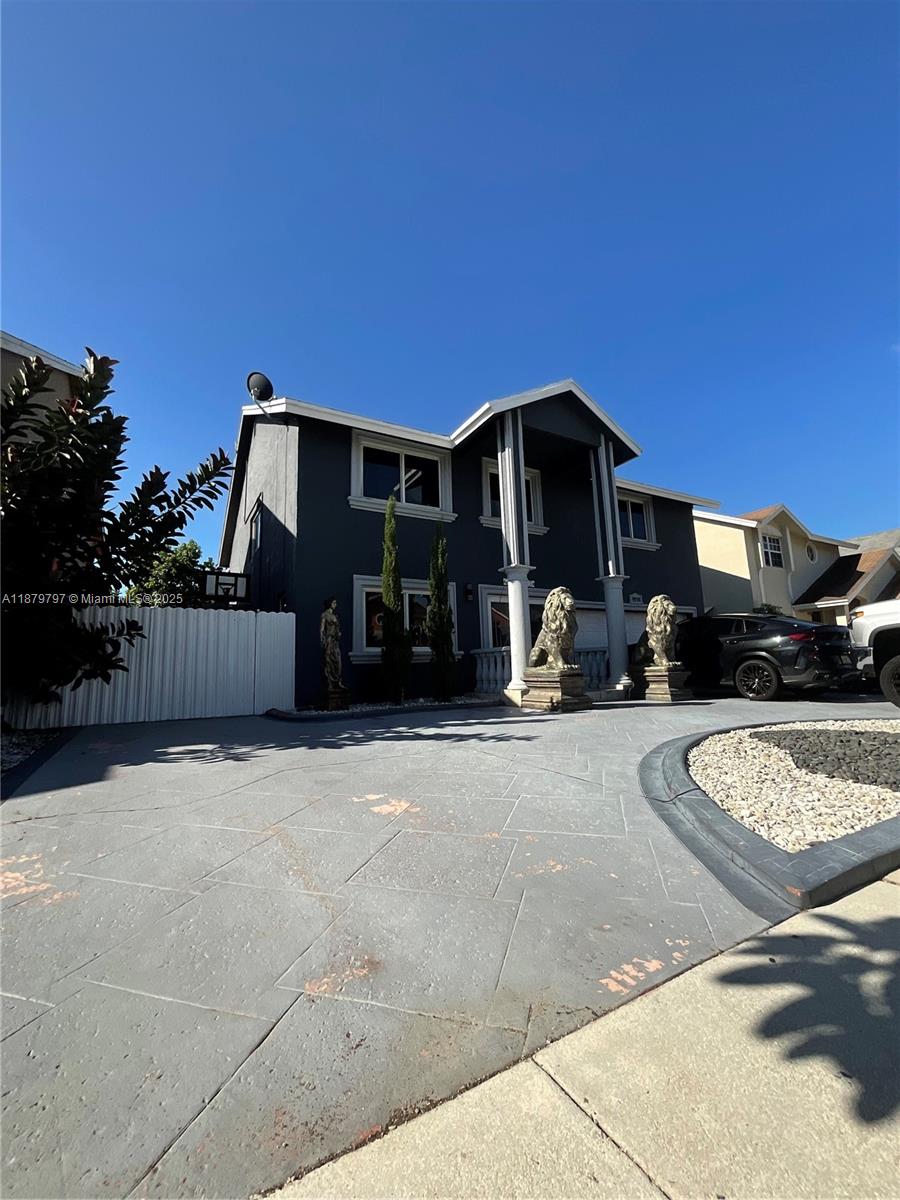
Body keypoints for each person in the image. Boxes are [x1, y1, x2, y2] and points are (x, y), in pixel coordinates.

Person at [320, 596, 344, 690]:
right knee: (329, 661)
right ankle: (330, 683)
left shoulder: (335, 616)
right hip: (329, 640)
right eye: (334, 603)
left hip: (335, 641)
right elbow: (322, 630)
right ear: (330, 604)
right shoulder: (325, 615)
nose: (335, 605)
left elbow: (337, 628)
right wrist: (323, 641)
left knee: (338, 662)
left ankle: (338, 681)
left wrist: (338, 633)